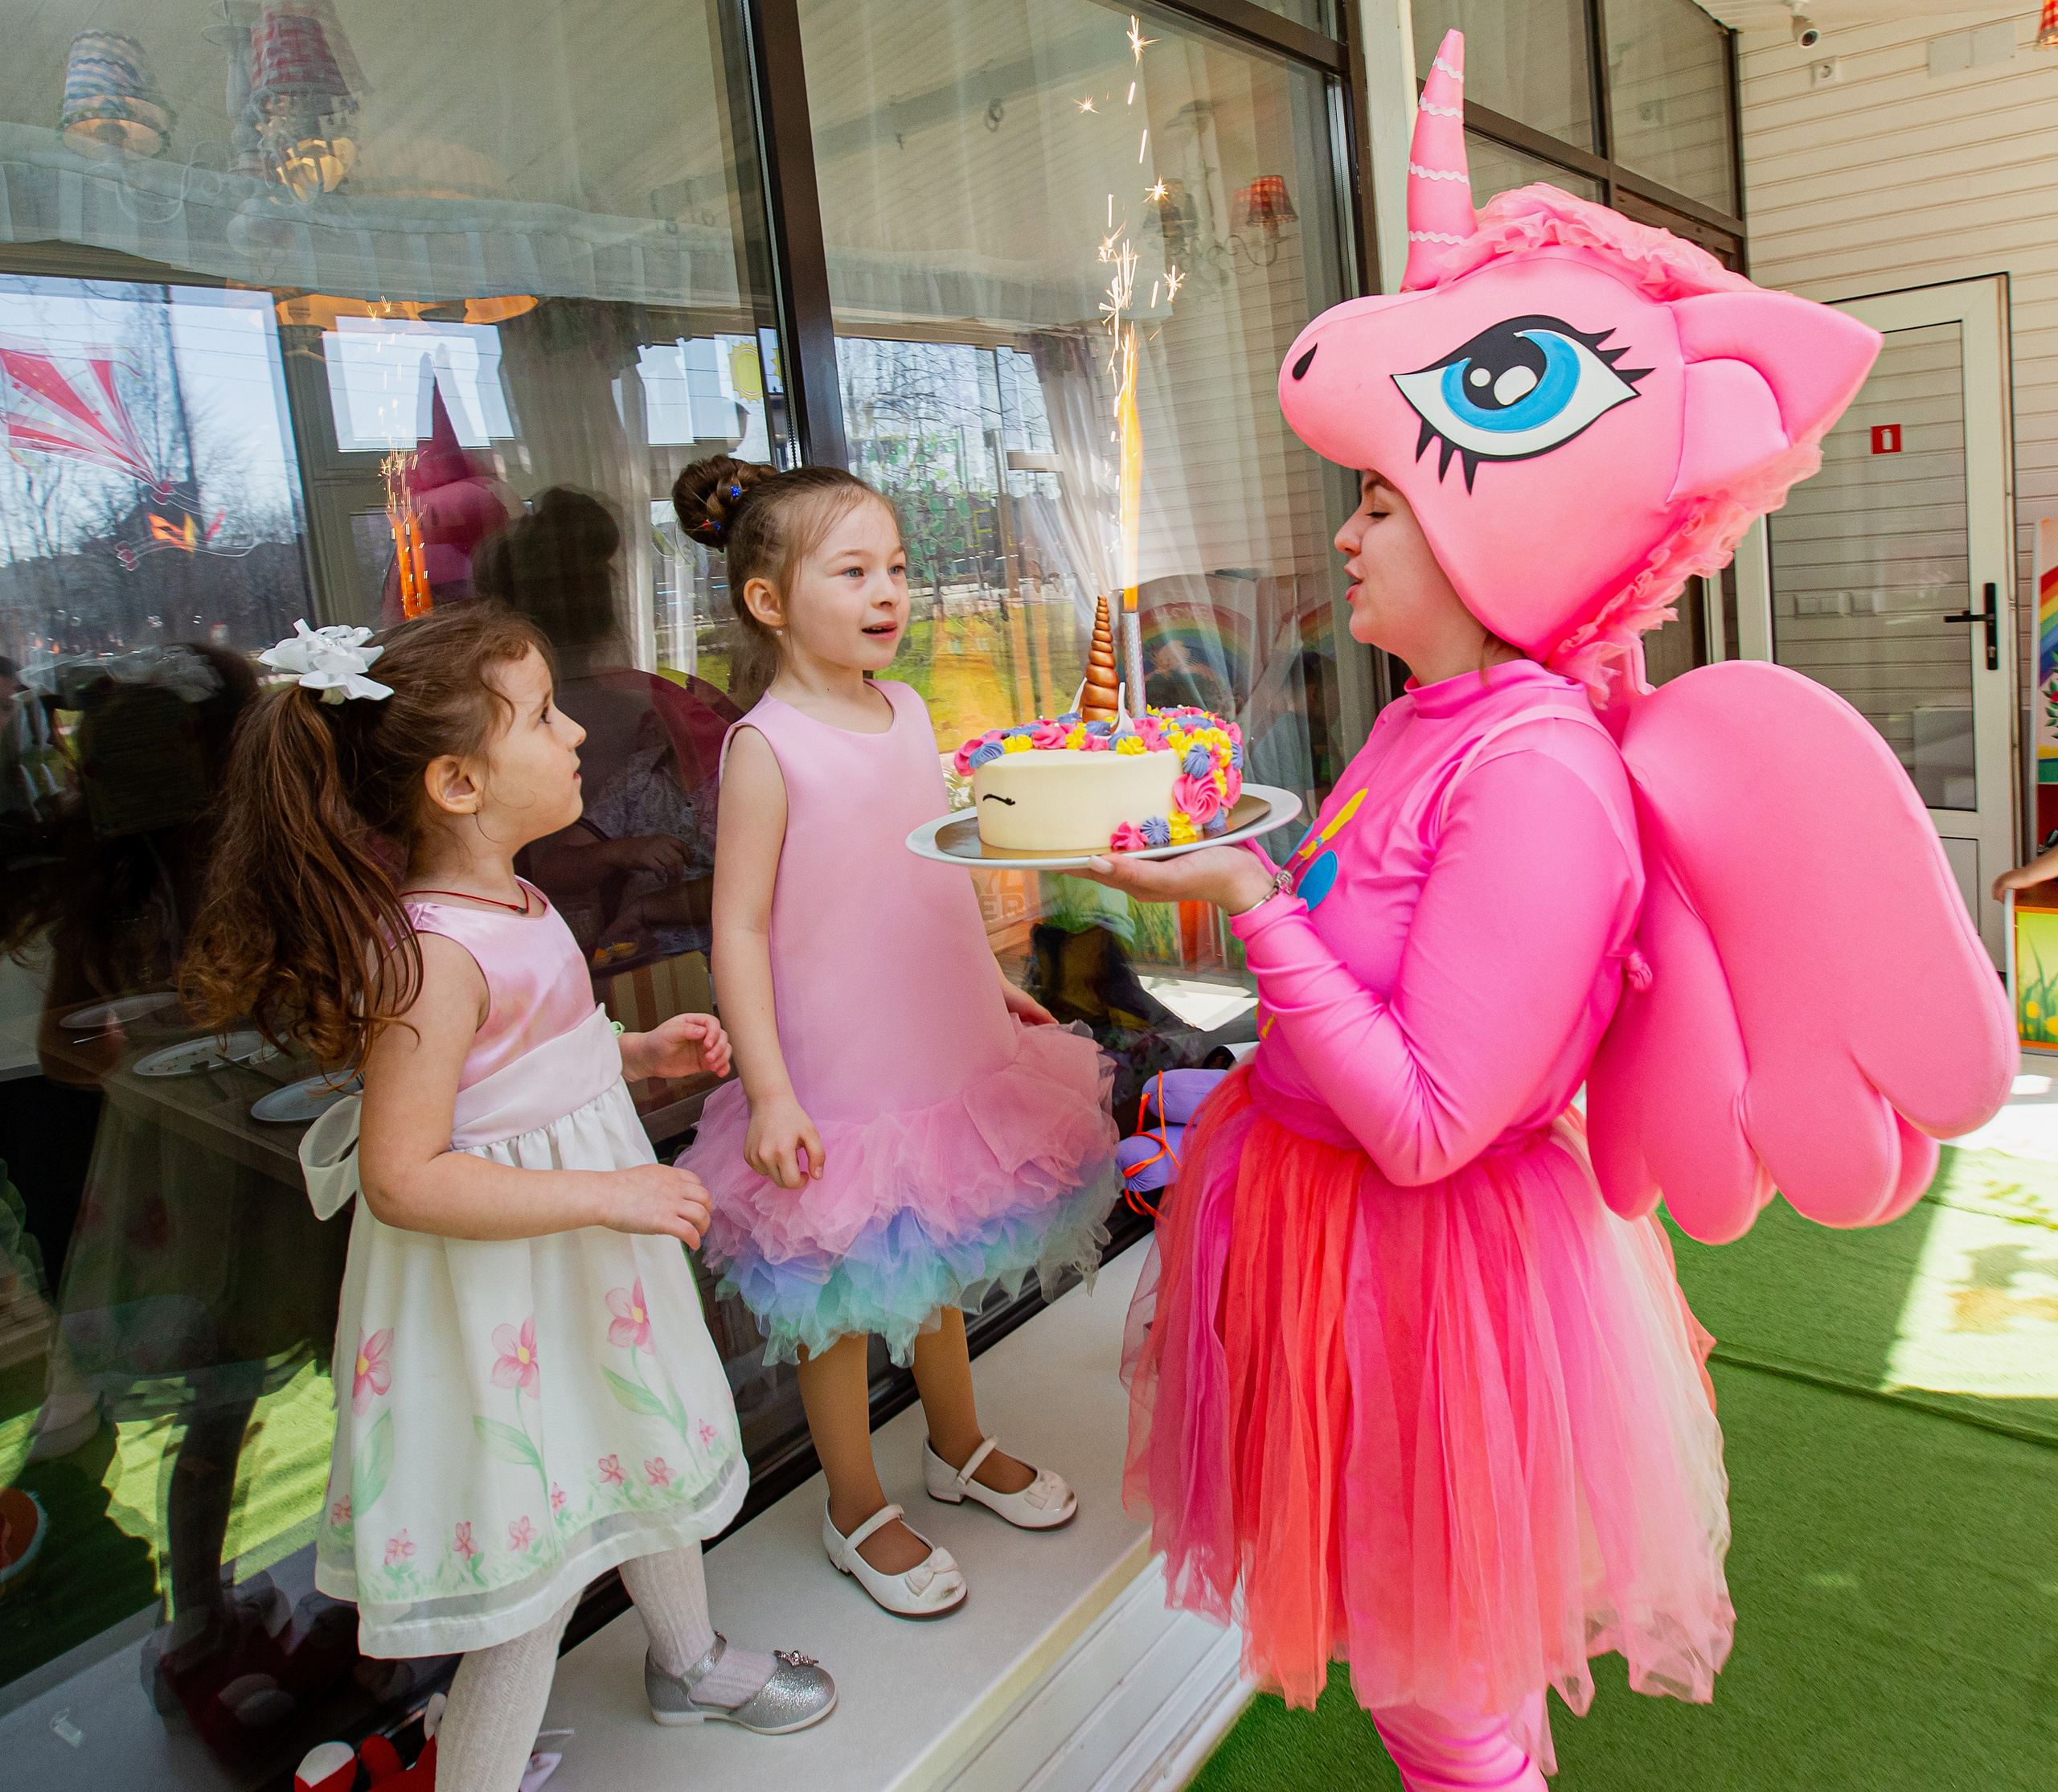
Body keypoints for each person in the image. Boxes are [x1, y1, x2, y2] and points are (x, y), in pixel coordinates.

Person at [1076, 34, 2011, 1792]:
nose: (1345, 535)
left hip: (1430, 1288)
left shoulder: (1533, 771)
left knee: (1446, 1699)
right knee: (1417, 1675)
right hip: (1338, 1257)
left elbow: (1430, 1121)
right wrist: (1235, 961)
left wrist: (1245, 905)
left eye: (1376, 499)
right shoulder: (1427, 723)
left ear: (1480, 522)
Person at [181, 608, 835, 1792]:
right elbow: (404, 1170)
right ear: (456, 778)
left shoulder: (520, 906)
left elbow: (530, 1068)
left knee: (640, 1449)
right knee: (534, 1577)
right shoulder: (432, 955)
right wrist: (610, 1189)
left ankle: (686, 1658)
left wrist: (634, 1059)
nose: (575, 726)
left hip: (577, 1267)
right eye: (541, 715)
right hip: (506, 1298)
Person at [674, 454, 1120, 1618]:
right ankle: (855, 1499)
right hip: (839, 1064)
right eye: (855, 570)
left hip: (942, 1036)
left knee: (932, 1250)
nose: (890, 592)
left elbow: (936, 872)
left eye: (900, 569)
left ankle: (956, 1441)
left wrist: (991, 983)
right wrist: (768, 1089)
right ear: (770, 602)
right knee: (839, 1281)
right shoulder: (765, 746)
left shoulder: (910, 707)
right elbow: (740, 930)